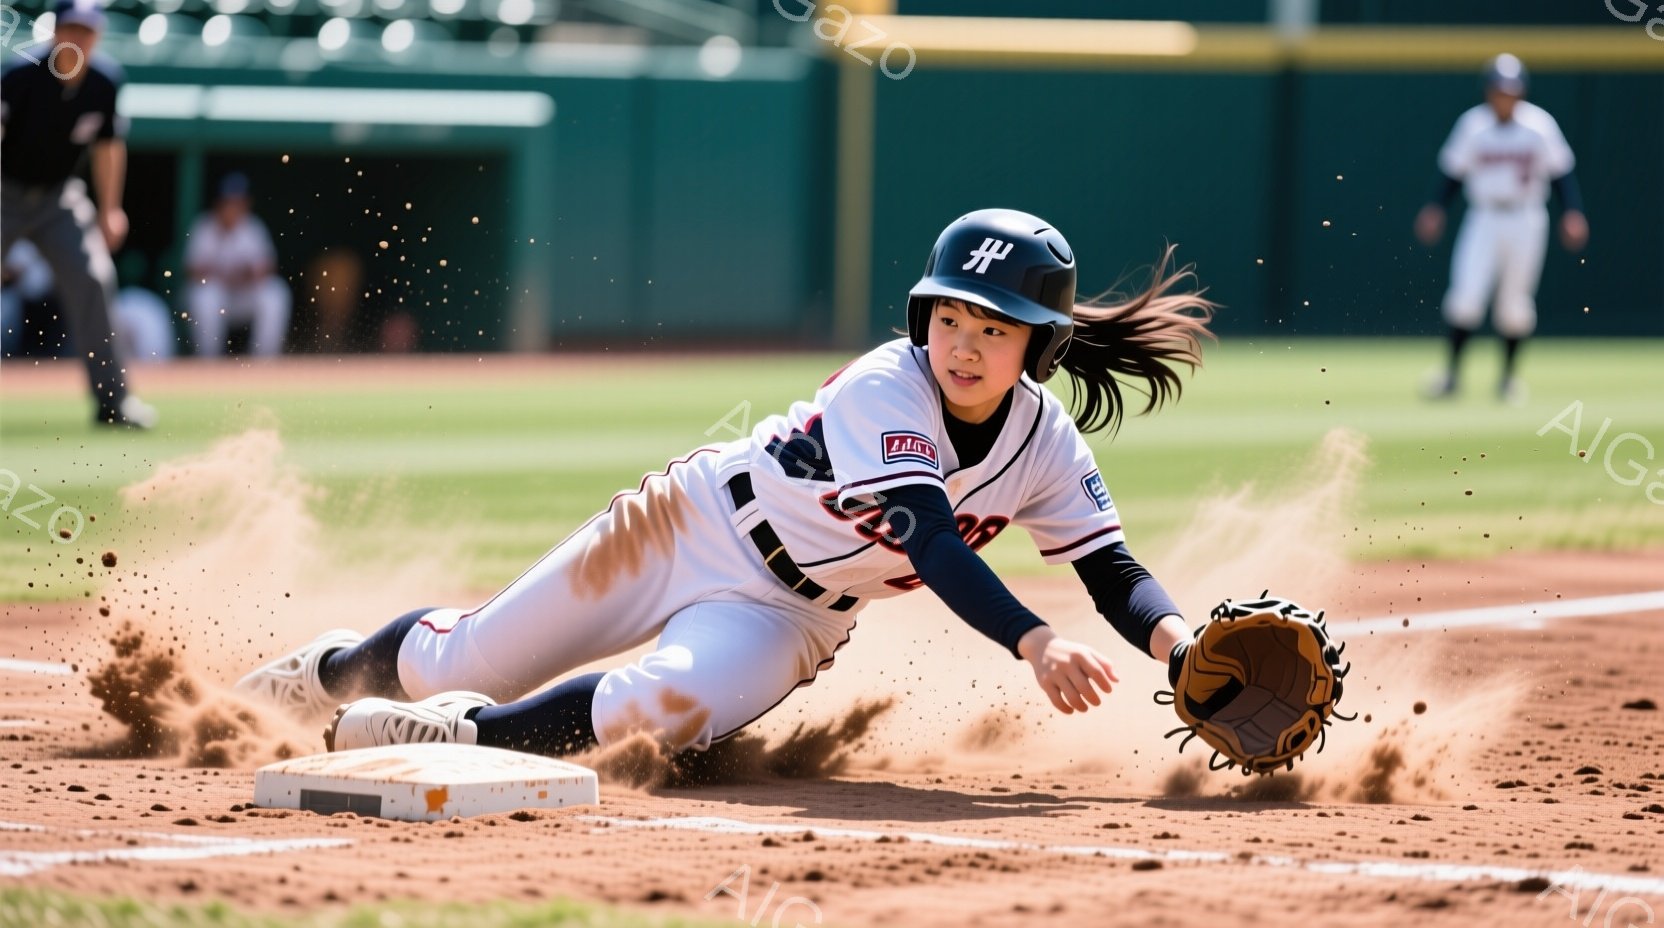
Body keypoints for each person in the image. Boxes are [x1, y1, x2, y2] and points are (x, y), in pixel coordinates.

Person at [236, 208, 1216, 761]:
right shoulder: (889, 384)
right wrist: (1033, 641)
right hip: (688, 524)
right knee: (469, 654)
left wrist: (1179, 647)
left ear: (1036, 346)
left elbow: (1110, 567)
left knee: (652, 717)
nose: (961, 342)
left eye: (992, 327)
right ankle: (329, 673)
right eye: (949, 316)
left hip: (790, 619)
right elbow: (926, 536)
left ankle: (458, 741)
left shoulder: (1043, 440)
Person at [1, 0, 156, 427]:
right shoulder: (19, 76)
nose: (78, 38)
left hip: (58, 198)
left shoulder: (104, 82)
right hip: (5, 192)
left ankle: (113, 402)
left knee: (94, 278)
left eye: (87, 30)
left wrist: (110, 209)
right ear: (54, 30)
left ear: (99, 35)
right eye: (71, 27)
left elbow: (107, 147)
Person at [1415, 53, 1588, 404]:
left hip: (1526, 218)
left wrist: (1572, 212)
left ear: (1521, 92)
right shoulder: (1473, 125)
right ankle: (1451, 376)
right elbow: (1452, 173)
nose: (1505, 96)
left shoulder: (1539, 125)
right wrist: (1436, 208)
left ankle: (1508, 380)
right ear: (1488, 91)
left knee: (1514, 305)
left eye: (1511, 90)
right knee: (1465, 295)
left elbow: (1560, 174)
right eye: (1499, 90)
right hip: (1484, 216)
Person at [185, 172, 291, 357]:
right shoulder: (204, 226)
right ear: (219, 203)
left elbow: (267, 268)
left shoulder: (253, 227)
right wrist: (223, 274)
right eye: (230, 202)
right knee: (205, 295)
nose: (234, 207)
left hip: (243, 296)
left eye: (239, 202)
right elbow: (191, 271)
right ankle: (207, 362)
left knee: (275, 293)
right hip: (218, 296)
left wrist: (248, 273)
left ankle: (265, 361)